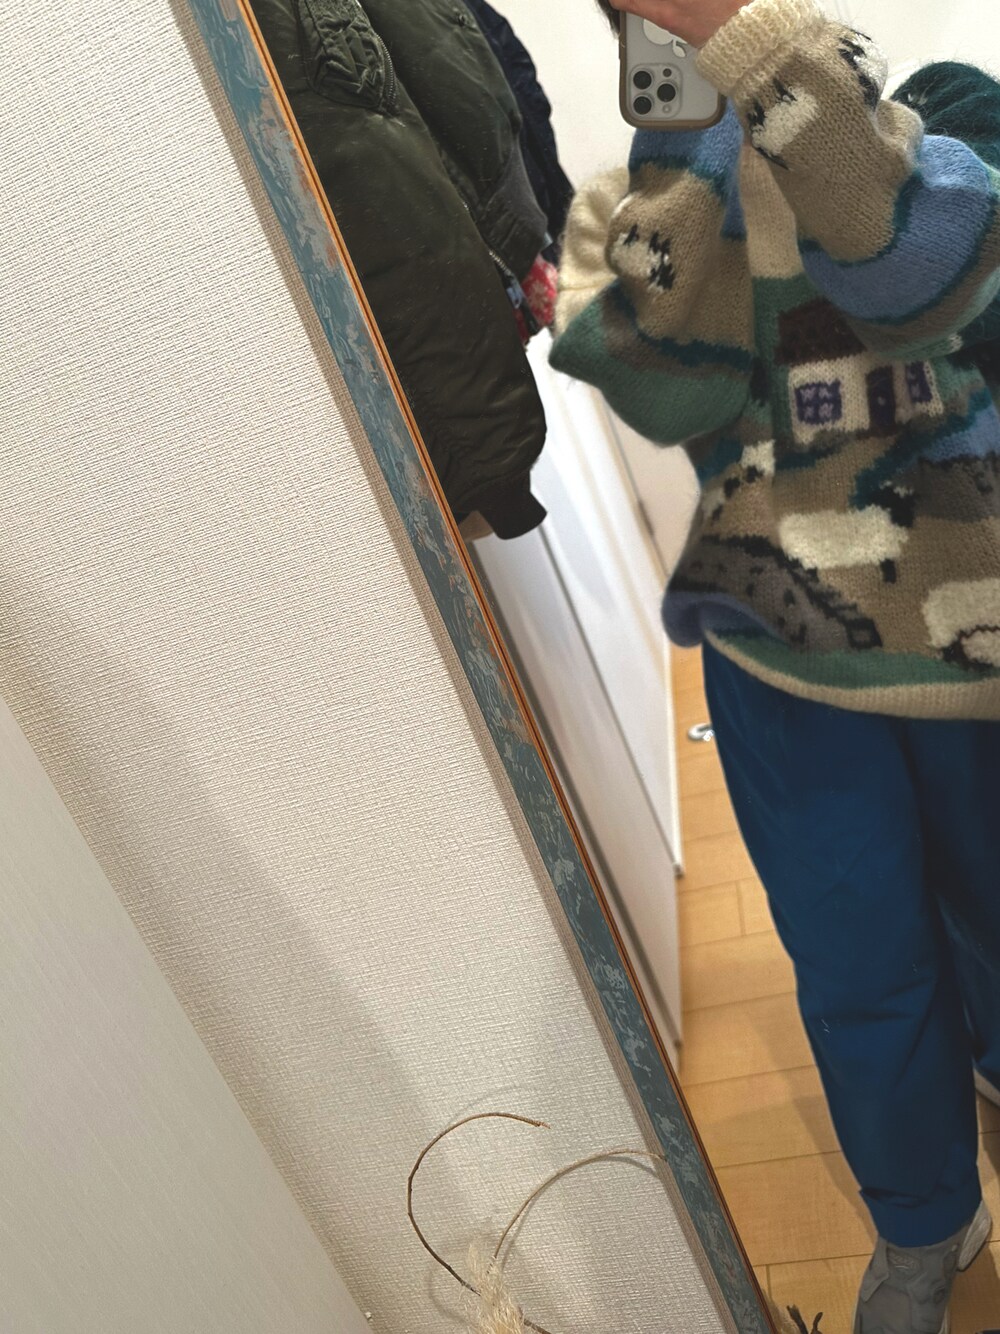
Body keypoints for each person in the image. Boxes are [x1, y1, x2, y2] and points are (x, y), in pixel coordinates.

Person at [551, 0, 1000, 1330]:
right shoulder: (640, 195)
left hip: (967, 626)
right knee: (860, 965)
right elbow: (668, 388)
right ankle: (925, 1218)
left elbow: (917, 273)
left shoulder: (927, 110)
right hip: (781, 651)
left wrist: (765, 61)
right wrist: (694, 144)